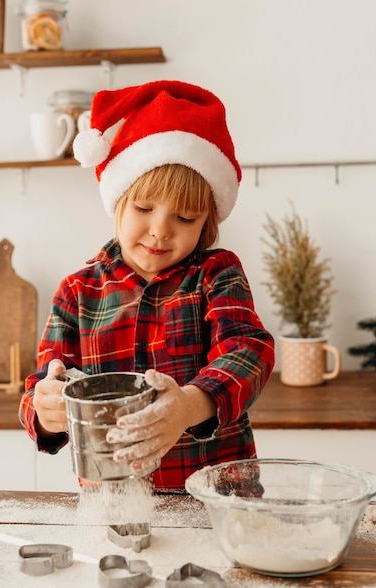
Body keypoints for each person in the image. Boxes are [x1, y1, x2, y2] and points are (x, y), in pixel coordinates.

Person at [19, 80, 275, 492]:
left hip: (216, 500)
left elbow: (248, 351)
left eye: (185, 219)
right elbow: (44, 383)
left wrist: (190, 405)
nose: (160, 231)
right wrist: (44, 410)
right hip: (112, 505)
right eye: (143, 208)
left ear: (205, 224)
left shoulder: (216, 274)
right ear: (118, 200)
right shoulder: (77, 293)